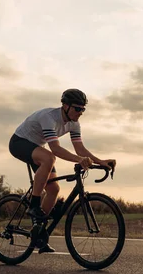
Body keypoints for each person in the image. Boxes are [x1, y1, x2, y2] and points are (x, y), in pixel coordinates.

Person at [8, 88, 116, 253]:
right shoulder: (49, 117)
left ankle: (39, 233)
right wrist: (80, 160)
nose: (80, 112)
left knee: (54, 189)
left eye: (83, 109)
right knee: (50, 157)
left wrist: (101, 161)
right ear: (65, 106)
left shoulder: (74, 124)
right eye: (77, 108)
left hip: (37, 147)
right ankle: (34, 204)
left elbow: (80, 149)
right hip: (19, 142)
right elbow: (56, 149)